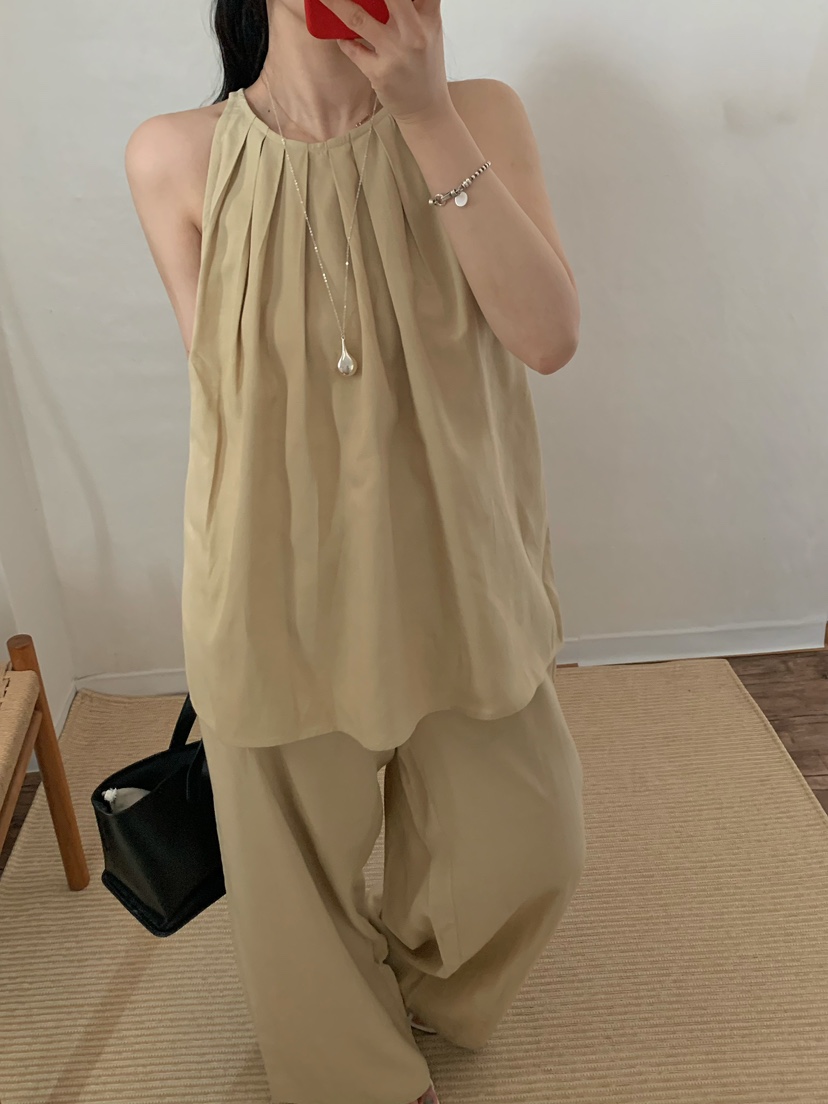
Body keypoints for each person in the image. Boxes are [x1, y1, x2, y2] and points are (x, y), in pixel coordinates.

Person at [125, 0, 586, 1101]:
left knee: (530, 841)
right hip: (272, 573)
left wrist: (424, 115)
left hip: (460, 566)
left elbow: (548, 338)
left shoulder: (481, 116)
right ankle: (353, 1074)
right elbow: (227, 393)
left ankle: (424, 991)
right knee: (291, 878)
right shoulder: (173, 157)